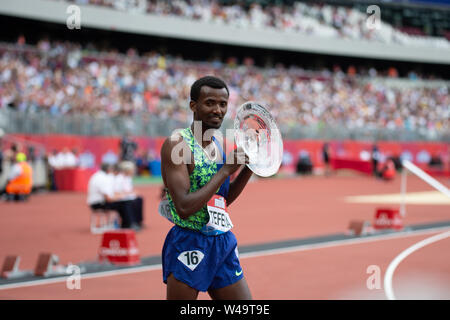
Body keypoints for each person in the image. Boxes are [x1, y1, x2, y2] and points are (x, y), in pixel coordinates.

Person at [160, 76, 253, 300]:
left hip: (221, 241)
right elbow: (184, 206)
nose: (218, 110)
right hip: (189, 241)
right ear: (194, 105)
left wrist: (250, 167)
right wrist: (225, 171)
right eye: (210, 102)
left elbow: (222, 199)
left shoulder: (219, 142)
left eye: (223, 104)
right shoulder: (177, 144)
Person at [87, 163, 139, 230]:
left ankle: (126, 224)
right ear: (108, 170)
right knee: (125, 204)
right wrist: (120, 197)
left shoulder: (99, 176)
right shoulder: (102, 178)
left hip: (98, 202)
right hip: (98, 203)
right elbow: (108, 198)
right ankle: (127, 225)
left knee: (125, 202)